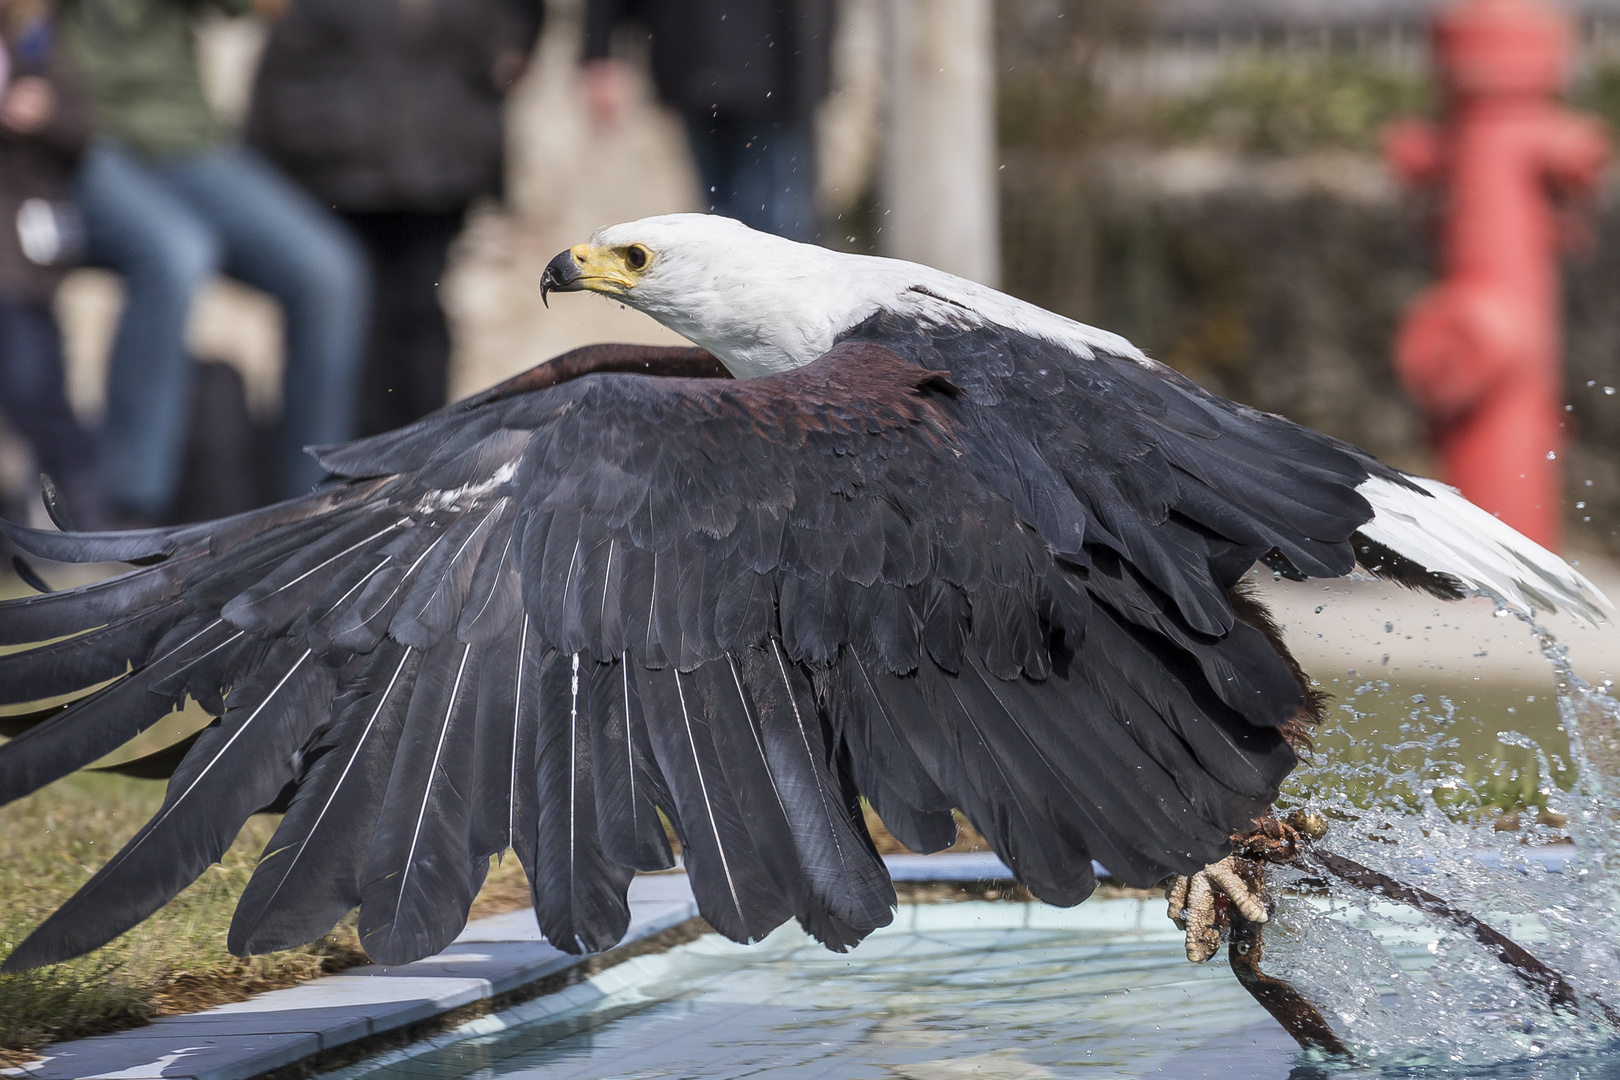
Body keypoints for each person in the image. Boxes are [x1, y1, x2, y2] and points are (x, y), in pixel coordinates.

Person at [58, 0, 368, 525]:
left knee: (330, 274)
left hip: (191, 144)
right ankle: (129, 511)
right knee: (176, 253)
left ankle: (310, 510)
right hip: (81, 138)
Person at [249, 0, 542, 437]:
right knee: (348, 320)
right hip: (338, 178)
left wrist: (510, 53)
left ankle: (418, 466)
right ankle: (336, 476)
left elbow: (521, 22)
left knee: (420, 316)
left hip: (441, 170)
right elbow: (284, 73)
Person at [581, 0, 832, 242]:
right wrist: (600, 53)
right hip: (699, 63)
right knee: (724, 229)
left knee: (769, 228)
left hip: (769, 75)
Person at [0, 0, 103, 528]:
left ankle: (82, 520)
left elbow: (83, 124)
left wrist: (44, 111)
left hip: (24, 262)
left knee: (39, 389)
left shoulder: (38, 41)